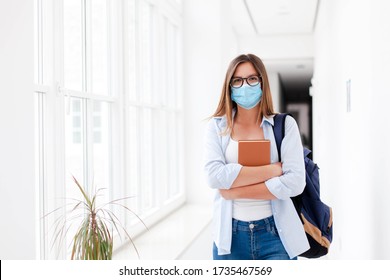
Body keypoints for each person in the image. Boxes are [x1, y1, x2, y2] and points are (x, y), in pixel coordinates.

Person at [203, 54, 309, 260]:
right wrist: (272, 170)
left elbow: (295, 183)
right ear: (229, 86)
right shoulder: (217, 127)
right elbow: (214, 177)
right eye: (237, 80)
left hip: (276, 235)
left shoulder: (285, 125)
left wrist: (233, 191)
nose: (245, 86)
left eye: (252, 79)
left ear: (262, 82)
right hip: (230, 237)